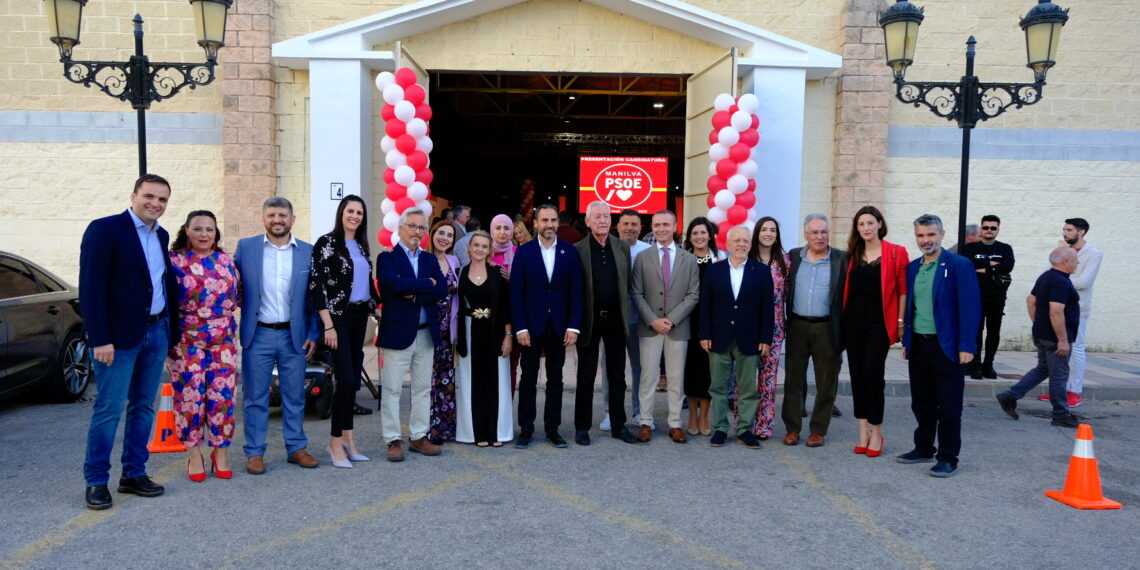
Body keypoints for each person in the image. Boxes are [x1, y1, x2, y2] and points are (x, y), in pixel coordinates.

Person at [80, 174, 179, 510]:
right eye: (150, 196)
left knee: (144, 406)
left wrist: (170, 332)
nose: (156, 204)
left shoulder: (160, 235)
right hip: (117, 340)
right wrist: (100, 338)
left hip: (156, 333)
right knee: (108, 410)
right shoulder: (105, 229)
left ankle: (133, 473)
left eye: (163, 199)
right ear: (134, 195)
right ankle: (96, 480)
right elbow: (91, 288)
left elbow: (161, 284)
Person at [234, 197, 321, 475]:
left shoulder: (307, 251)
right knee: (255, 396)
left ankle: (296, 448)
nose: (277, 220)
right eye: (272, 215)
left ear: (292, 219)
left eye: (283, 215)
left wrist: (313, 332)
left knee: (294, 395)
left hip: (293, 336)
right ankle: (255, 452)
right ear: (263, 218)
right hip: (257, 333)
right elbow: (231, 287)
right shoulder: (246, 248)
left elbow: (314, 297)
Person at [897, 214, 981, 478]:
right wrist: (907, 341)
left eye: (931, 234)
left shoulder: (958, 265)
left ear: (942, 235)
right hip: (920, 346)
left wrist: (967, 345)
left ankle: (948, 457)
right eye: (921, 235)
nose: (926, 240)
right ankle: (923, 448)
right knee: (921, 402)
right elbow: (912, 307)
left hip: (948, 347)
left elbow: (970, 308)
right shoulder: (913, 268)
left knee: (949, 406)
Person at [166, 210, 240, 481]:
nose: (204, 234)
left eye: (210, 229)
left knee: (222, 399)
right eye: (198, 229)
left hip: (222, 341)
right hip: (186, 341)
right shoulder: (174, 261)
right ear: (187, 230)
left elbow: (237, 296)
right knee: (190, 398)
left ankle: (220, 452)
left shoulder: (225, 260)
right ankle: (193, 454)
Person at [509, 203, 584, 449]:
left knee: (556, 380)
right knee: (528, 378)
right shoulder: (524, 252)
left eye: (553, 220)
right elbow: (516, 293)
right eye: (545, 220)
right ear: (536, 223)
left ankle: (553, 429)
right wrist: (519, 327)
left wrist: (573, 326)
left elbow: (576, 292)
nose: (549, 225)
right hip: (530, 327)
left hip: (559, 327)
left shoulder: (569, 252)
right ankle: (526, 429)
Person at [376, 208, 448, 461]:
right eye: (413, 226)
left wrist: (416, 293)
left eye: (421, 228)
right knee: (393, 389)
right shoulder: (387, 258)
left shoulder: (429, 260)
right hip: (398, 333)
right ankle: (393, 439)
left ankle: (418, 436)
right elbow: (392, 285)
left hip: (426, 334)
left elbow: (441, 289)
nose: (417, 232)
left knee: (421, 389)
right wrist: (425, 284)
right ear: (401, 228)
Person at [309, 195, 376, 468]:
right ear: (341, 213)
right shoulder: (326, 244)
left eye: (359, 212)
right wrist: (328, 325)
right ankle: (334, 440)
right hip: (337, 319)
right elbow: (317, 286)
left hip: (360, 316)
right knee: (346, 380)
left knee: (353, 381)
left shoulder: (361, 245)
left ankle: (348, 438)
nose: (355, 216)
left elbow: (363, 283)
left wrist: (374, 306)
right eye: (351, 211)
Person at [699, 226, 774, 449]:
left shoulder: (760, 271)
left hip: (750, 339)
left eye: (745, 241)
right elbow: (706, 305)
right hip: (719, 337)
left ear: (750, 245)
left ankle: (744, 429)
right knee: (718, 386)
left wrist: (765, 338)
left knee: (748, 389)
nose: (741, 244)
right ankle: (721, 428)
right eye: (737, 240)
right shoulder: (715, 270)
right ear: (728, 244)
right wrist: (705, 334)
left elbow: (767, 308)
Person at [841, 206, 908, 458]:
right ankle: (862, 431)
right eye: (861, 224)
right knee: (857, 376)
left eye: (870, 223)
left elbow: (903, 290)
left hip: (878, 325)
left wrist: (900, 322)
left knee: (873, 376)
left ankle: (877, 431)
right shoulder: (852, 254)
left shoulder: (895, 253)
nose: (865, 228)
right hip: (853, 324)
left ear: (880, 224)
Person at [573, 201, 640, 445]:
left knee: (617, 376)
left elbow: (627, 284)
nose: (602, 220)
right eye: (597, 216)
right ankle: (582, 428)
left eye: (606, 216)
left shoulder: (622, 247)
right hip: (589, 320)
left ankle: (618, 425)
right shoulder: (577, 249)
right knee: (586, 375)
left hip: (615, 319)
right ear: (588, 221)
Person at [631, 210, 700, 444]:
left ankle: (675, 423)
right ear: (652, 227)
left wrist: (671, 319)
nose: (662, 229)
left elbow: (693, 294)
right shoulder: (642, 257)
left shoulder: (688, 259)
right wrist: (653, 320)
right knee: (648, 376)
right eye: (657, 225)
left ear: (675, 226)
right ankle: (645, 422)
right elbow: (637, 293)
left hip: (677, 328)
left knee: (676, 377)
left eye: (666, 225)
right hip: (650, 327)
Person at [781, 213, 847, 448]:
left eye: (824, 232)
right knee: (793, 380)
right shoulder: (793, 257)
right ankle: (792, 428)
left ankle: (818, 430)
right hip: (798, 325)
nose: (820, 237)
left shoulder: (842, 259)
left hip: (828, 327)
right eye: (815, 232)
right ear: (806, 234)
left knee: (826, 381)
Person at [996, 247, 1081, 428]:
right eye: (1076, 259)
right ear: (1066, 261)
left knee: (1043, 369)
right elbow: (1056, 312)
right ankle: (1060, 414)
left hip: (1043, 334)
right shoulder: (1060, 282)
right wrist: (1063, 340)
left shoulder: (1046, 277)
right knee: (1059, 375)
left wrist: (1037, 325)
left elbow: (1030, 300)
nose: (1078, 262)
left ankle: (1010, 395)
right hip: (1055, 338)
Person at [455, 231, 514, 446]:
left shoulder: (499, 273)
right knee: (473, 382)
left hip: (496, 330)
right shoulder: (459, 273)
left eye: (484, 246)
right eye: (476, 245)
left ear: (490, 251)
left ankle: (497, 433)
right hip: (470, 331)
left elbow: (507, 306)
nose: (480, 249)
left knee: (496, 382)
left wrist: (508, 336)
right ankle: (475, 433)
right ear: (469, 248)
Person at [1039, 218, 1102, 408]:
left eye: (1069, 230)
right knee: (1057, 348)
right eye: (1064, 229)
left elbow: (1084, 281)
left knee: (1076, 349)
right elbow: (1052, 272)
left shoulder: (1094, 254)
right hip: (1057, 306)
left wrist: (1059, 281)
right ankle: (1058, 390)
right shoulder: (1062, 250)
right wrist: (1061, 253)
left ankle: (1075, 391)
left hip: (1077, 308)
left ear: (1081, 232)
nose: (1065, 233)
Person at [598, 209, 651, 431]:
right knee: (610, 368)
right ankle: (610, 412)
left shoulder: (648, 251)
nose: (629, 227)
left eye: (634, 224)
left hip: (640, 320)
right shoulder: (606, 248)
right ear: (617, 226)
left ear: (640, 228)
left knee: (641, 369)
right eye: (625, 223)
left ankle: (639, 412)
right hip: (613, 320)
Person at [681, 217, 726, 436]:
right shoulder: (683, 259)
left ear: (710, 235)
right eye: (695, 233)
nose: (699, 237)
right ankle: (691, 414)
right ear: (689, 237)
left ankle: (705, 416)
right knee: (690, 369)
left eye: (703, 232)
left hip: (714, 323)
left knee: (709, 370)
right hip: (688, 321)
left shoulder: (721, 259)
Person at [749, 216, 791, 440]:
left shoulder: (785, 262)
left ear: (777, 235)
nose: (768, 233)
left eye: (772, 230)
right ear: (757, 232)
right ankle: (745, 421)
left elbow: (787, 296)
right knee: (744, 378)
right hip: (748, 327)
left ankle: (764, 425)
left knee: (768, 379)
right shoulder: (746, 259)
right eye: (764, 229)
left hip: (774, 328)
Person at [961, 215, 1014, 380]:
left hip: (997, 297)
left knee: (993, 331)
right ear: (981, 229)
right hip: (975, 296)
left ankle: (988, 365)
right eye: (986, 227)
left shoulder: (1005, 248)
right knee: (976, 331)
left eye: (993, 228)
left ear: (998, 229)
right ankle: (975, 365)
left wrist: (983, 268)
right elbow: (968, 265)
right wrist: (993, 266)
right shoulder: (971, 248)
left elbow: (1008, 266)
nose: (989, 231)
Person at [425, 220, 460, 444]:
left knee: (446, 379)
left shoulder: (454, 260)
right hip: (428, 326)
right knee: (427, 379)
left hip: (449, 329)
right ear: (432, 234)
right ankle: (426, 429)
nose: (444, 238)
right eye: (441, 233)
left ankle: (446, 428)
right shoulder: (423, 259)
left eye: (449, 235)